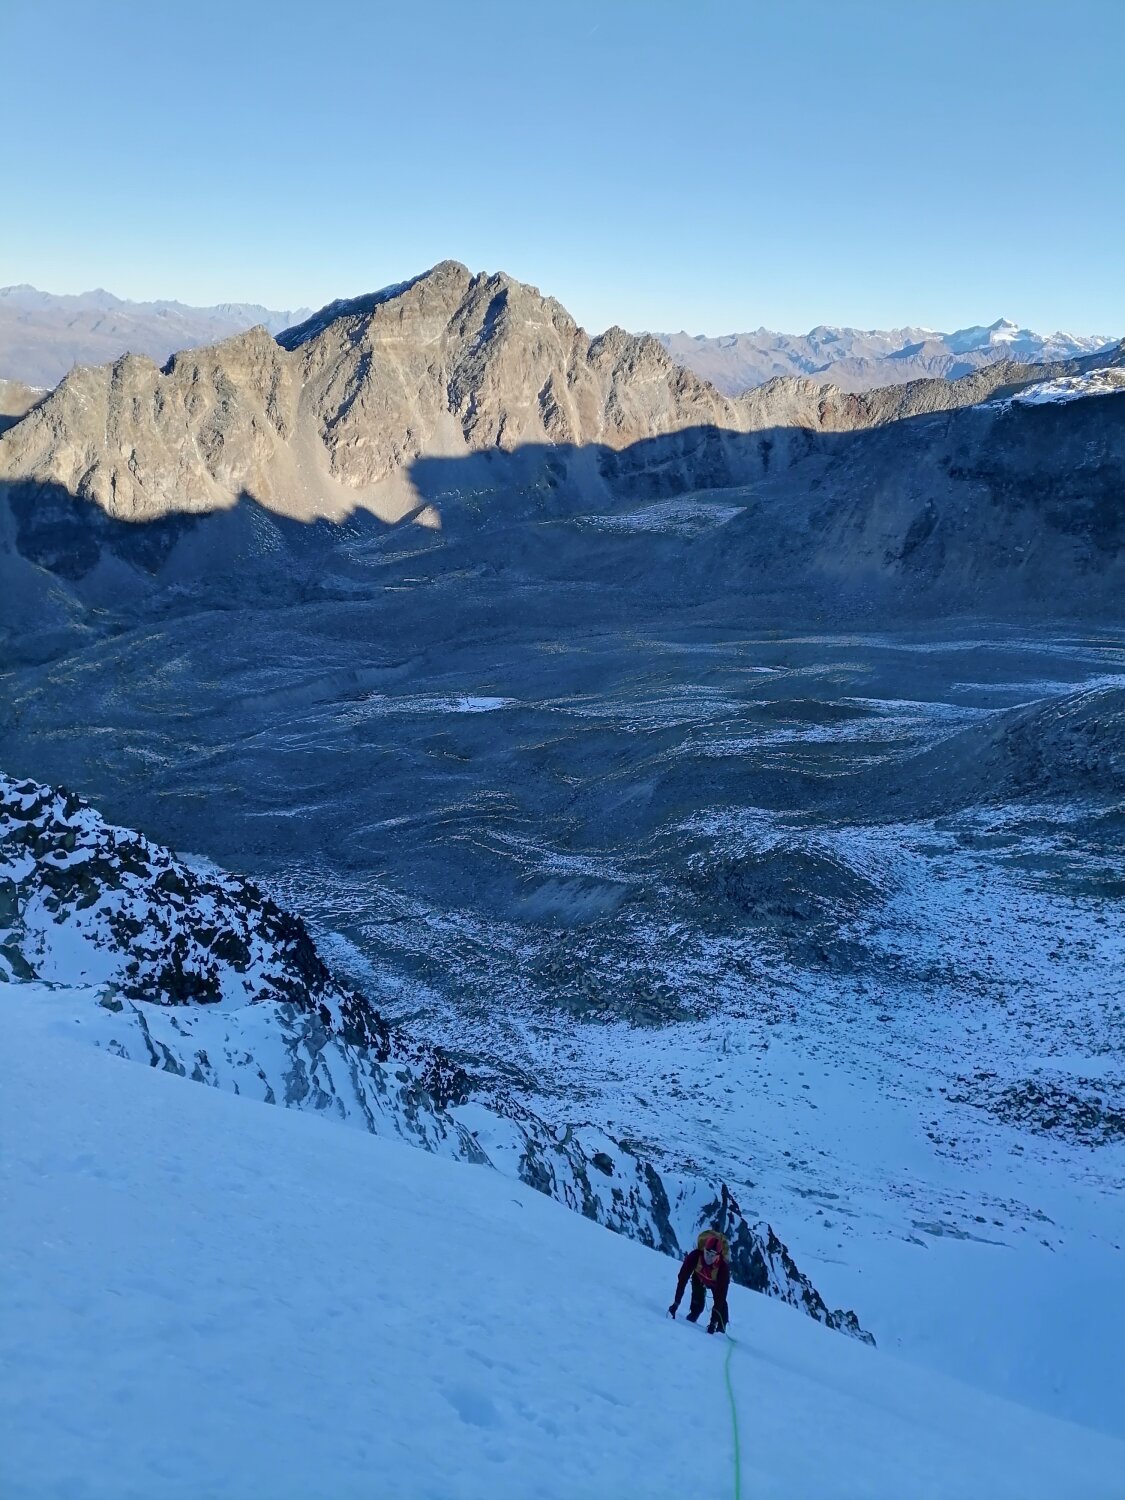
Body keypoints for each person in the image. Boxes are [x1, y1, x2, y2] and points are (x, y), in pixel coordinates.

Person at [668, 1230, 731, 1334]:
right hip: (699, 1278)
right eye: (707, 1253)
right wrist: (676, 1303)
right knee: (696, 1307)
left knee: (721, 1305)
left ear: (718, 1256)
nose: (709, 1258)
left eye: (712, 1255)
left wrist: (713, 1323)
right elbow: (682, 1279)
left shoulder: (723, 1269)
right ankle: (693, 1316)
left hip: (715, 1283)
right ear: (703, 1250)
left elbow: (720, 1297)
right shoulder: (695, 1256)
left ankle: (721, 1329)